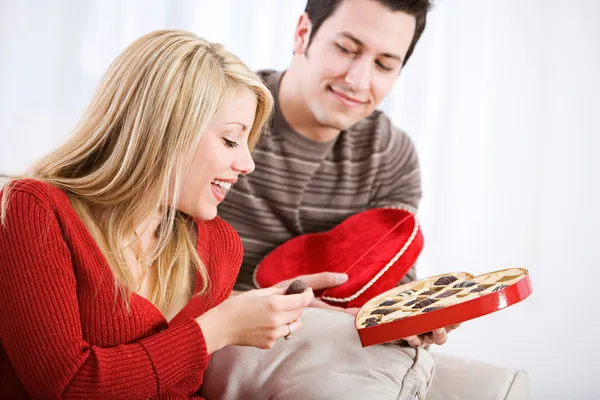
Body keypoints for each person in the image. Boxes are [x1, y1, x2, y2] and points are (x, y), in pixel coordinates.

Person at [0, 29, 314, 399]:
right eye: (231, 140)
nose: (247, 163)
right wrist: (217, 328)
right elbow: (66, 387)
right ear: (166, 131)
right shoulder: (34, 209)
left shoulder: (220, 247)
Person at [219, 0, 456, 348]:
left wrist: (411, 316)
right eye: (346, 49)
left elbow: (392, 278)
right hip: (223, 330)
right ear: (303, 34)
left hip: (333, 343)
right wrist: (287, 308)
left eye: (385, 65)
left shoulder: (390, 154)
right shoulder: (224, 115)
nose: (358, 81)